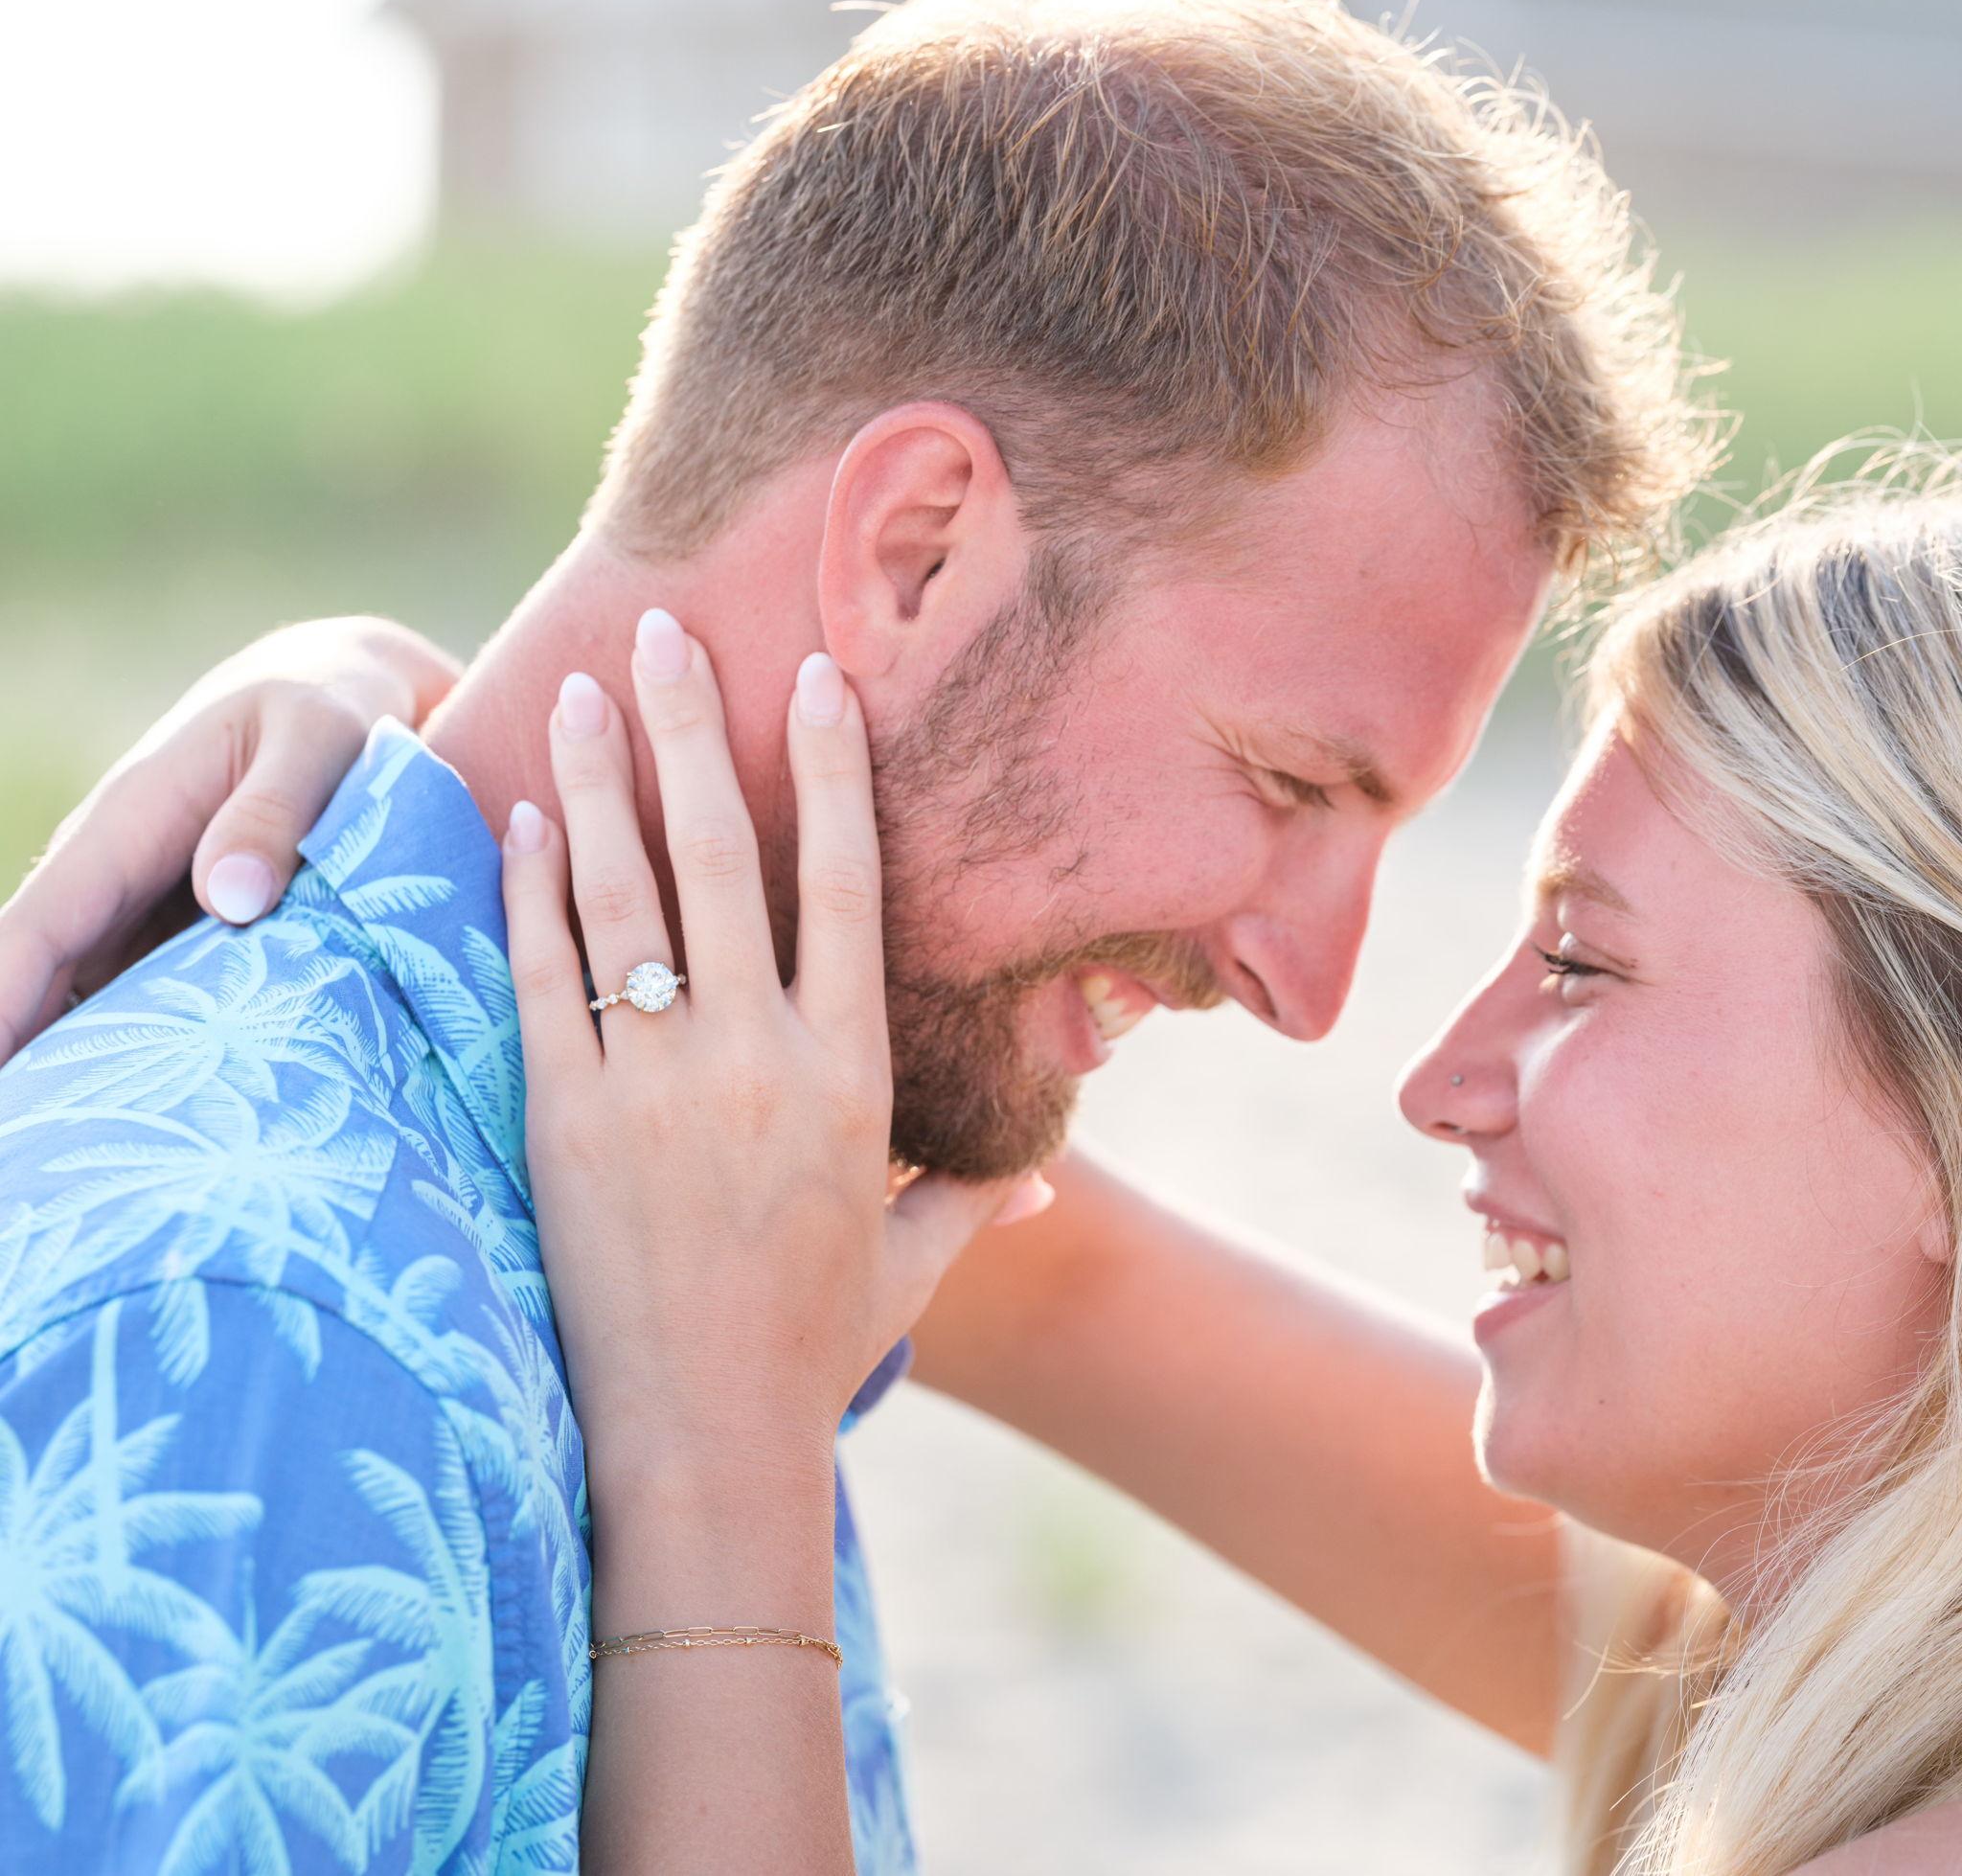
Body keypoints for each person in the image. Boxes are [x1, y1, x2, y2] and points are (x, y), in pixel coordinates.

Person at [0, 0, 1708, 1873]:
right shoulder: (253, 1346)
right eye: (1289, 782)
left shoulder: (723, 1242)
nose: (1317, 997)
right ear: (913, 553)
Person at [22, 473, 1962, 1876]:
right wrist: (440, 763)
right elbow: (1036, 1270)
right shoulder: (1804, 1668)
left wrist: (721, 1471)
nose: (1429, 1081)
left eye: (1579, 964)